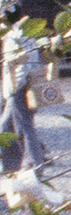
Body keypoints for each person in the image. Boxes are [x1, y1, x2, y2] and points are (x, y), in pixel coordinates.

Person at [0, 28, 45, 175]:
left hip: (18, 87)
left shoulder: (15, 35)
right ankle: (10, 163)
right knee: (7, 125)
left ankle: (34, 164)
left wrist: (13, 89)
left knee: (24, 127)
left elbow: (21, 65)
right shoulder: (25, 32)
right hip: (23, 85)